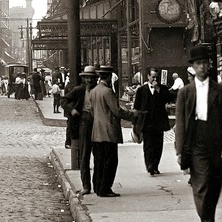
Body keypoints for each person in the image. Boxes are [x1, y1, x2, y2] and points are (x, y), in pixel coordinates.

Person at [174, 44, 222, 222]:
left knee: (216, 182)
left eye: (204, 63)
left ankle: (208, 217)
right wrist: (180, 149)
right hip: (196, 141)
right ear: (192, 67)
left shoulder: (220, 90)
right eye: (198, 63)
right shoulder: (185, 92)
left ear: (209, 65)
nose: (201, 67)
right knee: (201, 183)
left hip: (215, 140)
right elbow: (181, 122)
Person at [87, 65, 129, 197]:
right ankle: (105, 188)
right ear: (110, 76)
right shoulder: (108, 91)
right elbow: (117, 111)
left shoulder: (93, 91)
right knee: (110, 161)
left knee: (99, 161)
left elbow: (92, 111)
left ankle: (98, 186)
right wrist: (134, 114)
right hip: (108, 132)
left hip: (96, 131)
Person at [63, 66, 98, 196]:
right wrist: (72, 110)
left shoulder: (99, 90)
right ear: (83, 78)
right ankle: (86, 186)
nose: (89, 80)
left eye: (92, 78)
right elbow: (64, 100)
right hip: (83, 121)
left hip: (97, 122)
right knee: (84, 155)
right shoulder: (79, 90)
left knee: (99, 155)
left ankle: (98, 185)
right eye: (87, 77)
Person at [133, 68, 173, 175]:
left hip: (159, 122)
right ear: (148, 76)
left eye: (156, 77)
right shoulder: (141, 90)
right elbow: (136, 107)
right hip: (147, 122)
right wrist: (135, 124)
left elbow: (169, 99)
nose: (155, 79)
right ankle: (149, 165)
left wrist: (158, 89)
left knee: (158, 145)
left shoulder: (162, 88)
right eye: (153, 76)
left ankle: (155, 165)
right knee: (148, 145)